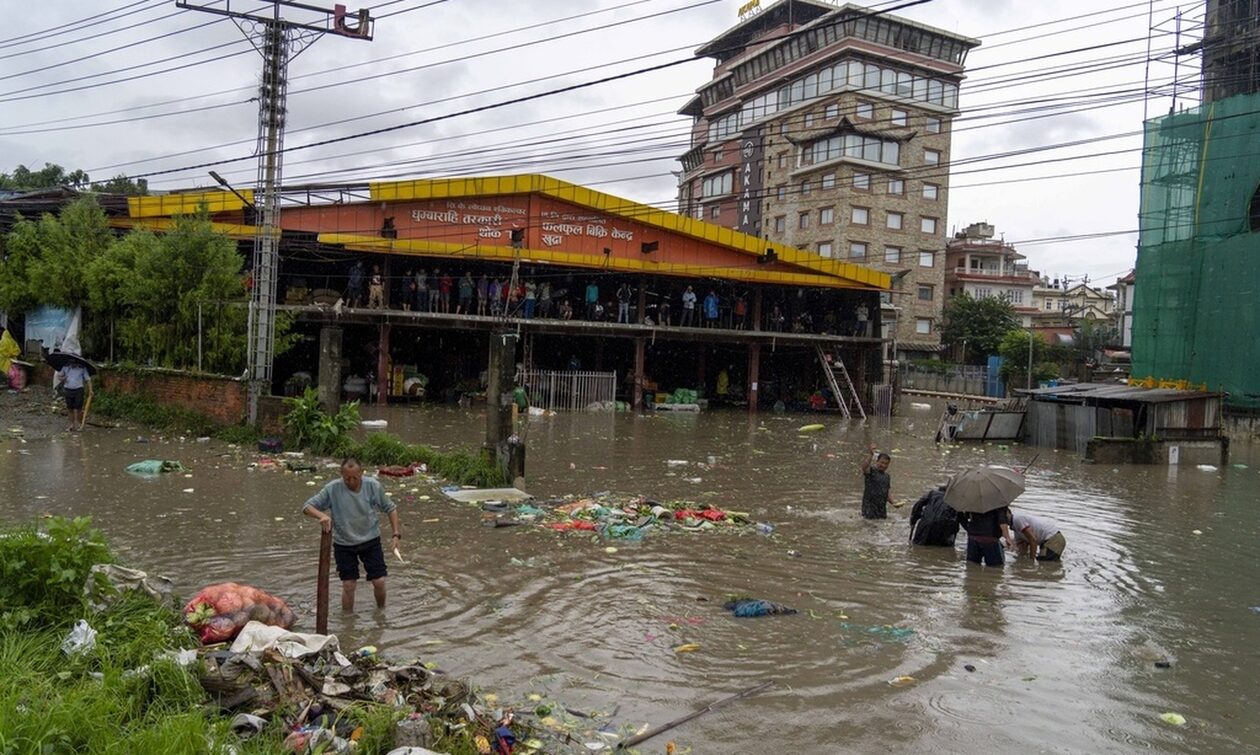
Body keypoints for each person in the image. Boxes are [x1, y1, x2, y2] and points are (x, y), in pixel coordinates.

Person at [302, 458, 402, 612]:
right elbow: (307, 507)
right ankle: (348, 620)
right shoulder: (333, 489)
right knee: (349, 585)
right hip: (344, 544)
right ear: (341, 474)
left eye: (355, 477)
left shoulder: (373, 486)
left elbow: (391, 508)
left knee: (379, 581)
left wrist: (396, 535)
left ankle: (381, 612)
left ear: (362, 473)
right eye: (347, 478)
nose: (351, 481)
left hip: (370, 540)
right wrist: (321, 516)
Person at [858, 443, 893, 520]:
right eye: (882, 462)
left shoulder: (887, 476)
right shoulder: (871, 471)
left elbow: (887, 491)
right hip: (869, 508)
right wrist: (871, 455)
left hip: (882, 509)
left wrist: (894, 503)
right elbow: (864, 467)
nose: (883, 465)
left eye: (886, 464)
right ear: (877, 461)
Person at [57, 359, 91, 432]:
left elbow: (88, 379)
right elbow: (59, 376)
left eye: (74, 362)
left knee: (78, 408)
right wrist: (63, 379)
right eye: (71, 362)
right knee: (70, 408)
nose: (72, 364)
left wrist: (91, 390)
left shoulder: (82, 368)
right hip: (68, 389)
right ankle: (71, 425)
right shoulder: (65, 367)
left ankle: (79, 424)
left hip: (78, 390)